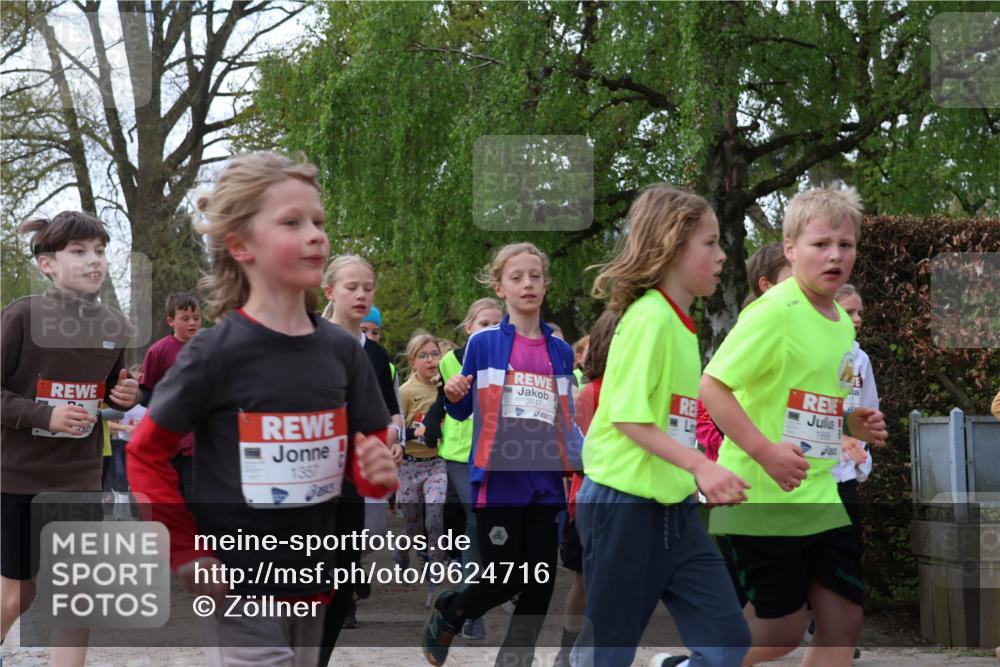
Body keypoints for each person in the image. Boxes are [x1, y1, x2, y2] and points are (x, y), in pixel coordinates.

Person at [126, 152, 398, 666]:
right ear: (240, 245)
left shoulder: (342, 351)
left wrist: (375, 472)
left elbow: (369, 445)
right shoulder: (214, 353)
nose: (315, 235)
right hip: (238, 583)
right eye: (292, 222)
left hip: (313, 577)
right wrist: (185, 550)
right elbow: (145, 453)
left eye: (318, 221)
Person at [701, 187, 888, 667]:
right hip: (761, 496)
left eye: (845, 245)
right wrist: (765, 452)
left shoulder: (840, 321)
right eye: (821, 244)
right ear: (790, 249)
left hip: (819, 493)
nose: (835, 255)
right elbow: (713, 387)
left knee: (843, 622)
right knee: (780, 632)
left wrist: (850, 422)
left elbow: (804, 399)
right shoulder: (773, 312)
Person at [570, 186, 751, 667]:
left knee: (729, 643)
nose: (722, 254)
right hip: (622, 507)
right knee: (606, 655)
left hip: (676, 512)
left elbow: (673, 423)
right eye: (710, 243)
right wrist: (702, 466)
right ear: (671, 247)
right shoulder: (649, 318)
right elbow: (627, 416)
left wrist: (699, 470)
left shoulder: (681, 323)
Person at [423, 242, 581, 667]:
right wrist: (454, 393)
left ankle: (514, 661)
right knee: (504, 577)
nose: (528, 284)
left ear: (545, 284)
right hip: (498, 477)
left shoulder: (561, 352)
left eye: (535, 276)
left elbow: (565, 416)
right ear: (500, 288)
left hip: (545, 478)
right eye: (517, 277)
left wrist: (578, 464)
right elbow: (461, 409)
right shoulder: (484, 343)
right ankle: (453, 609)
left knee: (540, 584)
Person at [2, 211, 139, 664]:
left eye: (100, 251)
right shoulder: (21, 317)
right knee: (17, 596)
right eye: (78, 252)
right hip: (19, 479)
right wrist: (44, 414)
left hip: (80, 479)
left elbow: (110, 391)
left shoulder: (116, 326)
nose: (93, 260)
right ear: (47, 264)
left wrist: (126, 397)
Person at [319, 257, 405, 641]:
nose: (361, 295)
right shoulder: (309, 341)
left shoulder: (377, 355)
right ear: (329, 292)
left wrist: (392, 438)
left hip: (353, 477)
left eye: (367, 288)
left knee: (343, 572)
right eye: (351, 287)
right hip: (309, 474)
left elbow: (389, 410)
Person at [435, 297, 503, 641]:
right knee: (476, 521)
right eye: (484, 324)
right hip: (461, 454)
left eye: (497, 324)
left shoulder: (510, 356)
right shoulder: (450, 361)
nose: (491, 329)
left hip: (500, 454)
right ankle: (469, 609)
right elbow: (446, 402)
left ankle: (494, 590)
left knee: (499, 525)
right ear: (469, 328)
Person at [552, 309, 617, 667]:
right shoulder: (591, 393)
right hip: (590, 502)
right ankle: (568, 649)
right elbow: (578, 457)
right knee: (584, 581)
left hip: (633, 503)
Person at [697, 243, 791, 462]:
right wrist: (763, 452)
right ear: (766, 285)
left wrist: (846, 426)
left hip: (802, 467)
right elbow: (711, 389)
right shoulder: (765, 320)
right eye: (794, 282)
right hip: (754, 468)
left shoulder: (828, 325)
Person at [398, 331, 449, 605]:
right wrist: (415, 432)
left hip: (436, 464)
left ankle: (435, 582)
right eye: (423, 356)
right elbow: (393, 431)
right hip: (409, 466)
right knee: (414, 525)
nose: (430, 360)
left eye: (434, 354)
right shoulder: (406, 392)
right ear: (413, 362)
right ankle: (403, 548)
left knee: (435, 519)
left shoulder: (446, 389)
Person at [139, 292, 202, 502]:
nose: (192, 323)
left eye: (196, 317)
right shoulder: (158, 351)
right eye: (185, 318)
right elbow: (145, 393)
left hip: (202, 443)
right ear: (170, 321)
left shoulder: (210, 348)